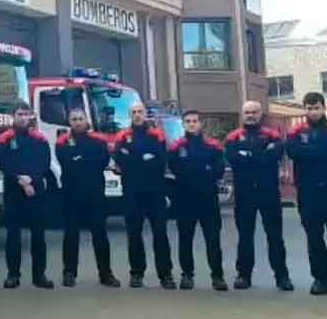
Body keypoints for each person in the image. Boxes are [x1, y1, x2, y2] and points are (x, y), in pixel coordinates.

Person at [224, 100, 293, 291]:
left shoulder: (273, 135)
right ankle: (243, 275)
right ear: (242, 114)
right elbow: (232, 158)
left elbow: (274, 156)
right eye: (247, 112)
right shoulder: (233, 137)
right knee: (245, 236)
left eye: (254, 112)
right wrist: (259, 154)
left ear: (260, 113)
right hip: (245, 194)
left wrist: (248, 155)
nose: (251, 115)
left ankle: (282, 277)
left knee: (275, 236)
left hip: (269, 193)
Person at [113, 103, 176, 289]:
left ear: (145, 115)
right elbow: (119, 160)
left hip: (155, 192)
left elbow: (161, 159)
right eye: (134, 112)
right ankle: (136, 274)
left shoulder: (157, 134)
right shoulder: (122, 136)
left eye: (140, 112)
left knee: (160, 234)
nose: (137, 115)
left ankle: (166, 275)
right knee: (134, 234)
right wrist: (143, 159)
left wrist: (135, 159)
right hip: (131, 192)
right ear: (130, 115)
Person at [56, 108, 120, 288]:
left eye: (80, 119)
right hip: (71, 196)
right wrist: (84, 160)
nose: (77, 122)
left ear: (86, 120)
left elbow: (102, 161)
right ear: (69, 122)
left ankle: (106, 274)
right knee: (70, 236)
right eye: (74, 119)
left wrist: (80, 159)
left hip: (95, 195)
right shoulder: (62, 142)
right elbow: (67, 163)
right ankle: (69, 273)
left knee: (100, 235)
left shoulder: (99, 141)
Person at [168, 110, 228, 291]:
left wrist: (199, 171)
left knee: (213, 240)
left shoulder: (213, 146)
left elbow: (218, 170)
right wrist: (202, 169)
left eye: (195, 121)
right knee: (185, 239)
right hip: (185, 199)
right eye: (188, 121)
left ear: (201, 124)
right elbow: (175, 169)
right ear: (183, 124)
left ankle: (217, 276)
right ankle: (187, 275)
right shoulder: (176, 147)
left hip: (208, 199)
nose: (191, 124)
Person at [0, 102, 54, 289]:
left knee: (38, 236)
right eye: (19, 114)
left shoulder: (40, 140)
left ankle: (39, 276)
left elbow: (44, 163)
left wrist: (32, 179)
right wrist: (19, 179)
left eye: (26, 114)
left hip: (36, 192)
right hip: (13, 192)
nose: (23, 117)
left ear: (31, 116)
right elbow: (2, 163)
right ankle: (13, 275)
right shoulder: (5, 138)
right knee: (13, 236)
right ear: (13, 116)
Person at [287, 92, 327, 295]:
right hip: (308, 193)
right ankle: (321, 278)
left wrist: (309, 150)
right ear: (305, 109)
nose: (313, 111)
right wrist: (319, 150)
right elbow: (293, 152)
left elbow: (304, 153)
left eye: (316, 107)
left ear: (323, 107)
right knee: (314, 237)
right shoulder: (295, 132)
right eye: (309, 108)